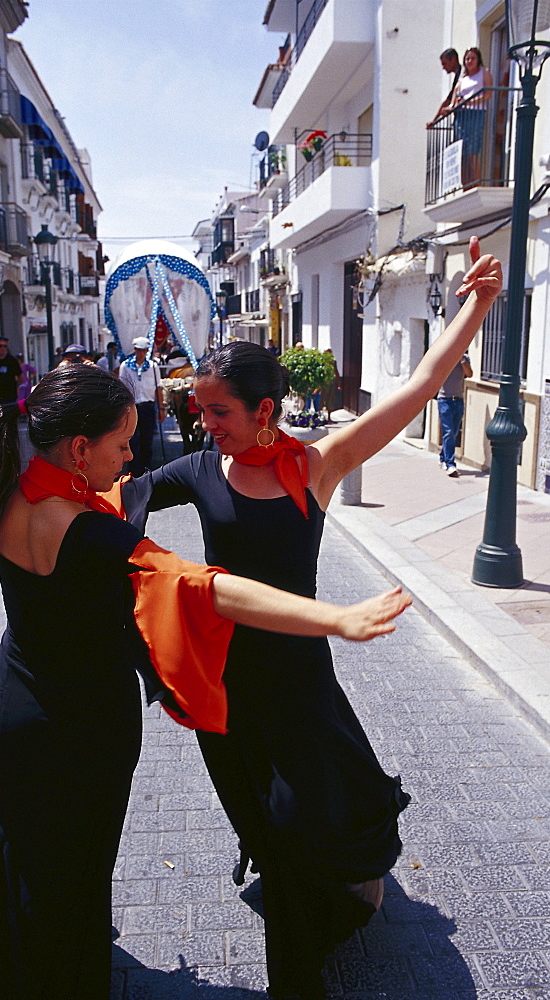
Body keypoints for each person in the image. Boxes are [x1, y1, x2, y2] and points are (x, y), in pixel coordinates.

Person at [0, 207, 411, 1000]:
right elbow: (213, 590)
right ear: (79, 448)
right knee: (71, 860)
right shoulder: (90, 535)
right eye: (123, 444)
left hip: (6, 714)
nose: (134, 458)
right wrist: (333, 617)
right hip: (82, 728)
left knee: (2, 847)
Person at [121, 236, 502, 999]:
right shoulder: (195, 470)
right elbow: (111, 506)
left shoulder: (313, 466)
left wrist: (476, 306)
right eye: (198, 410)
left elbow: (423, 384)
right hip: (221, 686)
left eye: (218, 411)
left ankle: (297, 973)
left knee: (300, 825)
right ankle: (286, 886)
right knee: (259, 825)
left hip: (297, 680)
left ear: (264, 410)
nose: (205, 425)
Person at [119, 336, 165, 476]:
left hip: (148, 407)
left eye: (144, 350)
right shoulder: (126, 366)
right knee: (133, 440)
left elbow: (158, 387)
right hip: (132, 407)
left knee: (147, 439)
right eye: (139, 350)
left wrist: (161, 409)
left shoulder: (152, 366)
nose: (141, 353)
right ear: (134, 350)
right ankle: (133, 471)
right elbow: (122, 388)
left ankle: (146, 471)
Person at [450, 47, 493, 186]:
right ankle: (465, 186)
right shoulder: (462, 80)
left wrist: (470, 101)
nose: (469, 61)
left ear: (478, 60)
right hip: (462, 117)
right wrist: (448, 109)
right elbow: (454, 101)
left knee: (473, 151)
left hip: (475, 114)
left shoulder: (483, 73)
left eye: (472, 58)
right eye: (467, 58)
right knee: (462, 153)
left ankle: (475, 184)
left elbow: (488, 93)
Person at [437, 352, 472, 476]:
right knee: (448, 432)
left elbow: (469, 374)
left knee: (454, 432)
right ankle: (450, 464)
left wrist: (462, 360)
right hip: (444, 400)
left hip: (458, 400)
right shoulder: (444, 358)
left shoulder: (465, 358)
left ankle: (443, 457)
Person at [426, 47, 461, 127]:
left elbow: (448, 100)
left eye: (444, 63)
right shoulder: (458, 74)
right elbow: (449, 98)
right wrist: (434, 120)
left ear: (453, 59)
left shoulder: (461, 75)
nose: (443, 67)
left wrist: (434, 120)